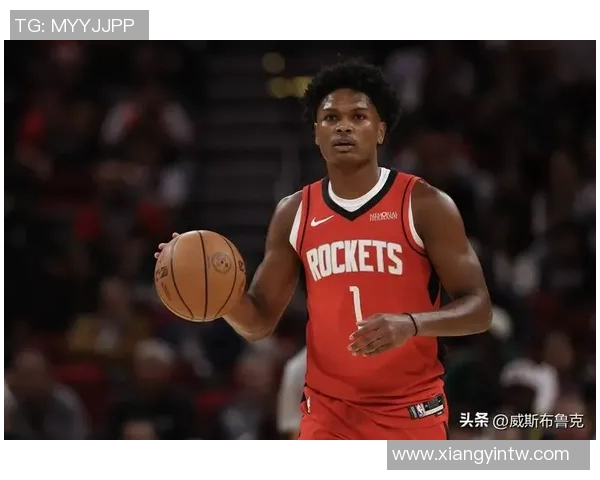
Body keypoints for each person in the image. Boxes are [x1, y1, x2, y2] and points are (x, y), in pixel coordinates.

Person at [155, 59, 492, 440]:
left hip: (410, 412)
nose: (343, 126)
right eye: (330, 118)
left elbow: (479, 309)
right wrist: (216, 293)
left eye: (358, 116)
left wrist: (412, 324)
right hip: (328, 418)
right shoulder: (294, 213)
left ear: (381, 130)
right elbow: (260, 321)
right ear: (316, 133)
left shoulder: (424, 204)